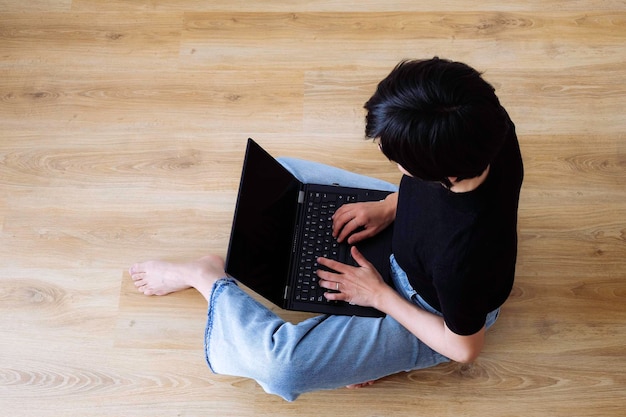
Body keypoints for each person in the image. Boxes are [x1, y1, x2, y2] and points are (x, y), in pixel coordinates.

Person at [129, 57, 524, 401]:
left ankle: (207, 277)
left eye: (398, 157)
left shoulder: (465, 260)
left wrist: (379, 295)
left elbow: (465, 348)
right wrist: (390, 205)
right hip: (414, 236)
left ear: (440, 171)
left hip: (425, 304)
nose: (388, 156)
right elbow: (434, 192)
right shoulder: (485, 122)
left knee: (281, 366)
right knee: (283, 176)